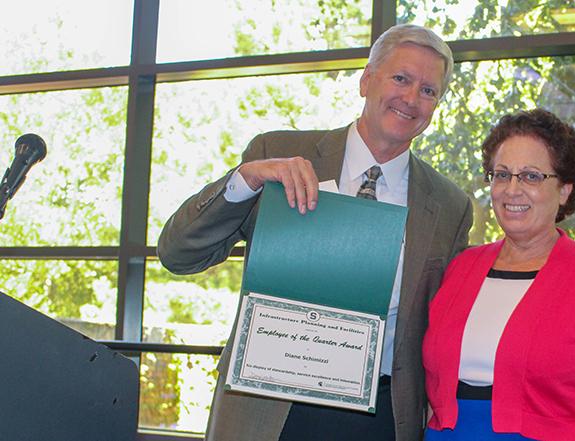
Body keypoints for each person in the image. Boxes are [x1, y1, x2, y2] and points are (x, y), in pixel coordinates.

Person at [157, 24, 473, 441]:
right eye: (401, 78)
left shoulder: (450, 206)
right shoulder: (275, 155)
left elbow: (444, 331)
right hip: (268, 411)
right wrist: (245, 180)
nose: (411, 98)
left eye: (429, 90)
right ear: (366, 80)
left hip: (380, 419)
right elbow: (178, 254)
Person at [422, 108, 575, 441]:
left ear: (565, 190)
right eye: (502, 174)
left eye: (530, 176)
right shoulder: (461, 268)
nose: (512, 189)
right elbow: (433, 392)